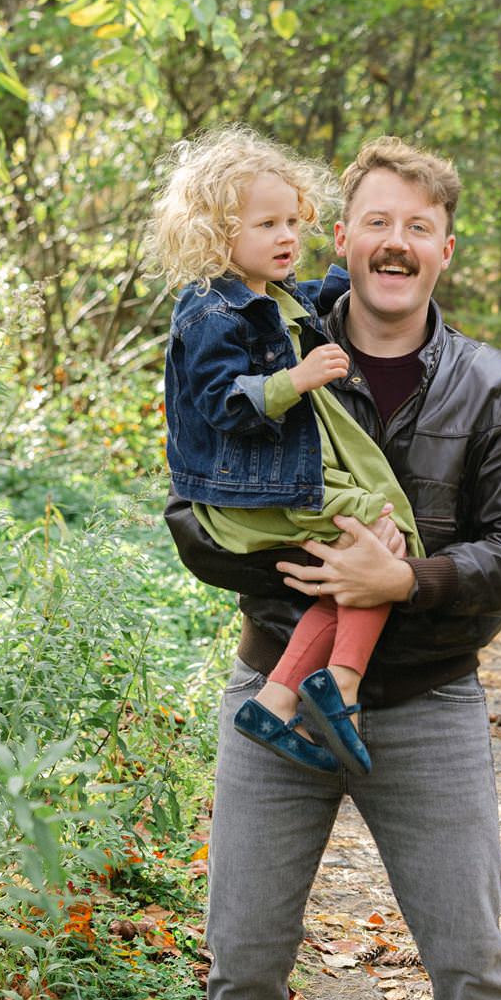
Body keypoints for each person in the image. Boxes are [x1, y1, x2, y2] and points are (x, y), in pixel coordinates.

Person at [163, 136, 501, 1000]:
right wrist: (297, 560)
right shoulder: (252, 335)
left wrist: (407, 581)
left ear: (443, 246)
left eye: (417, 226)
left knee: (474, 952)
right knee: (242, 949)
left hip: (427, 703)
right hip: (272, 689)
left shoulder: (493, 388)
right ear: (344, 234)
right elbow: (191, 503)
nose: (394, 243)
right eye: (374, 221)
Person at [152, 127, 423, 776]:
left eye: (291, 222)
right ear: (218, 235)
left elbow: (316, 299)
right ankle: (344, 689)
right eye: (265, 224)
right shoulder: (209, 313)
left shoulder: (269, 295)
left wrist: (364, 247)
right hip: (244, 490)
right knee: (381, 537)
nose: (285, 238)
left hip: (271, 482)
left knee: (365, 552)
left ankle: (275, 701)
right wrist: (294, 380)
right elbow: (221, 402)